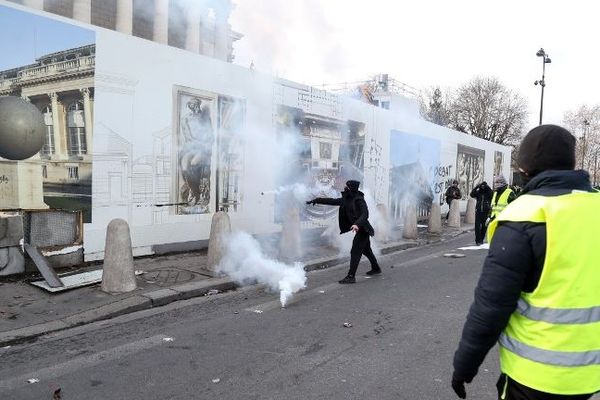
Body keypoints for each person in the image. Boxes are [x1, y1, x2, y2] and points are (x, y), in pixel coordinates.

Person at [452, 124, 600, 399]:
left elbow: (491, 307)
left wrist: (464, 366)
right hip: (590, 376)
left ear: (526, 168)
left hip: (535, 376)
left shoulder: (525, 215)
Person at [306, 180, 380, 284]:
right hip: (358, 229)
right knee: (366, 250)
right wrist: (316, 200)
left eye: (347, 186)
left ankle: (351, 276)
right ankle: (376, 268)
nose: (345, 187)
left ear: (351, 188)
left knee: (355, 251)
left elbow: (365, 214)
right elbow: (332, 201)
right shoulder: (346, 199)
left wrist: (357, 224)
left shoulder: (359, 200)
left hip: (363, 229)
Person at [469, 181, 492, 245]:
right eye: (481, 186)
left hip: (486, 211)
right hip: (478, 211)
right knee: (477, 226)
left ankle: (481, 239)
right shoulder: (479, 192)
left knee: (484, 226)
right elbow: (472, 194)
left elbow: (492, 194)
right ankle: (478, 240)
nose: (483, 187)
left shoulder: (488, 192)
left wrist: (487, 187)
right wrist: (477, 187)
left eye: (484, 186)